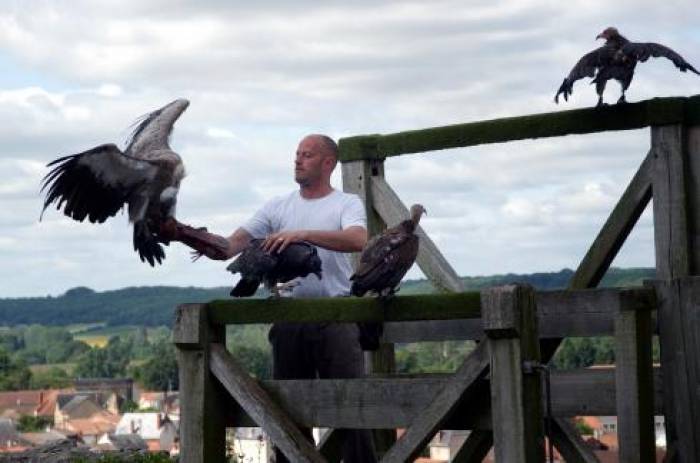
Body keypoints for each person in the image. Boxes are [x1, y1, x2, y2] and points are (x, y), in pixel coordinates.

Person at [189, 134, 377, 463]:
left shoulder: (345, 204)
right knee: (287, 413)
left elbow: (358, 239)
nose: (298, 159)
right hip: (288, 319)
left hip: (337, 316)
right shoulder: (277, 207)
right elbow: (233, 245)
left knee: (352, 409)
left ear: (328, 163)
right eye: (297, 154)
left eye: (307, 154)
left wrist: (302, 234)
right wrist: (191, 236)